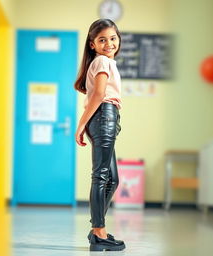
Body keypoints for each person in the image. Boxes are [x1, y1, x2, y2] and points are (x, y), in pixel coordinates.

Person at [74, 19, 125, 251]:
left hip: (105, 116)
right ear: (92, 44)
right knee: (102, 177)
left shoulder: (101, 62)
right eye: (102, 39)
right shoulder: (103, 61)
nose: (109, 43)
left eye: (113, 38)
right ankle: (99, 232)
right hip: (103, 115)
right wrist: (80, 125)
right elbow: (99, 95)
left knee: (111, 179)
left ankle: (97, 230)